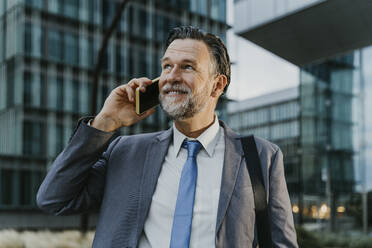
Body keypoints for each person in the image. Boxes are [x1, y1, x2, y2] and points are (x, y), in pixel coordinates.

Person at [37, 26, 298, 248]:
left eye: (187, 67)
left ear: (217, 84)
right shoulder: (126, 151)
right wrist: (106, 122)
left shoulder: (261, 156)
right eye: (166, 66)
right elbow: (55, 199)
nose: (171, 77)